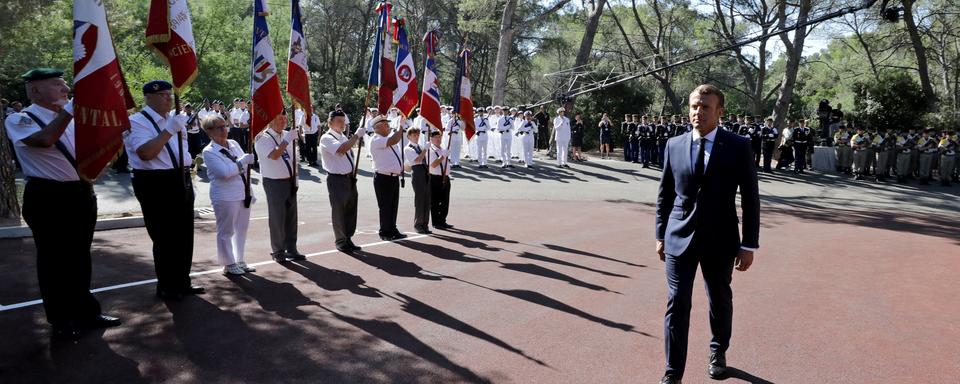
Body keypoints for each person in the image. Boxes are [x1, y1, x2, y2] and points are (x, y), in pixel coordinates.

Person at [4, 68, 121, 340]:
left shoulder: (70, 117)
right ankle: (61, 319)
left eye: (65, 84)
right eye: (57, 85)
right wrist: (70, 111)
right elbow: (44, 141)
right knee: (54, 261)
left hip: (79, 193)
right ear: (35, 90)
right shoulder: (21, 118)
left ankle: (86, 312)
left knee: (80, 257)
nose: (65, 89)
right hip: (48, 197)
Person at [655, 84, 760, 384]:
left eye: (704, 107)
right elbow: (665, 195)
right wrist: (661, 234)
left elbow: (751, 198)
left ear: (719, 112)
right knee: (677, 302)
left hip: (721, 239)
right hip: (679, 237)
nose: (697, 113)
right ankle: (673, 372)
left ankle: (718, 351)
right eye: (693, 107)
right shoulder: (674, 145)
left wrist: (749, 243)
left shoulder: (738, 146)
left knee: (719, 299)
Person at [124, 80, 202, 301]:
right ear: (149, 97)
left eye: (169, 94)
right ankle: (167, 285)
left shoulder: (173, 119)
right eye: (163, 95)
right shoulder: (137, 122)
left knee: (184, 235)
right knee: (164, 236)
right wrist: (169, 131)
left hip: (181, 177)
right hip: (155, 182)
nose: (169, 98)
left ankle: (182, 281)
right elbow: (146, 153)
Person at [201, 114, 256, 275]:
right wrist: (242, 162)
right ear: (209, 131)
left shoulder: (233, 143)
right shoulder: (209, 151)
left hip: (242, 192)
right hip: (225, 196)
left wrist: (249, 190)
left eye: (225, 126)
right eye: (220, 127)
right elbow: (224, 173)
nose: (225, 129)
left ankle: (240, 260)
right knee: (226, 231)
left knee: (242, 229)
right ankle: (228, 263)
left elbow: (244, 170)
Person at [254, 112, 307, 263]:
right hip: (274, 182)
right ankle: (278, 250)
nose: (283, 121)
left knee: (291, 217)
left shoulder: (286, 134)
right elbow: (275, 155)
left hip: (290, 181)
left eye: (284, 118)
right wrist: (286, 140)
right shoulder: (263, 138)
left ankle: (291, 248)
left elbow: (293, 159)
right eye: (279, 119)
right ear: (270, 121)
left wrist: (295, 179)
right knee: (278, 217)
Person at [320, 109, 363, 252]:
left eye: (344, 121)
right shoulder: (327, 138)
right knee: (339, 211)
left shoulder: (342, 136)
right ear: (330, 123)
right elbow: (342, 149)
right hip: (336, 179)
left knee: (351, 210)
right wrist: (356, 136)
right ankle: (340, 240)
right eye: (339, 121)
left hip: (349, 178)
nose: (342, 124)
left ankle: (348, 237)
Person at [369, 115, 407, 241]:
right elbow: (395, 140)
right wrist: (401, 126)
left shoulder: (386, 138)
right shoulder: (376, 139)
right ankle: (385, 231)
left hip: (393, 177)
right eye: (386, 125)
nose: (388, 126)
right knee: (385, 206)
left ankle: (392, 228)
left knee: (393, 205)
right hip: (383, 178)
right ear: (378, 127)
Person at [404, 127, 431, 234]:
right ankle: (418, 224)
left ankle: (425, 223)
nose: (416, 137)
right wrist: (426, 149)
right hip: (417, 171)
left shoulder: (420, 146)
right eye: (414, 135)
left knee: (427, 199)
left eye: (417, 135)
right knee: (420, 200)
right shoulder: (408, 148)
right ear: (409, 136)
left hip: (425, 171)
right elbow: (417, 160)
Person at [428, 129, 454, 229]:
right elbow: (434, 164)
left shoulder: (443, 149)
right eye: (436, 137)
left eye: (439, 137)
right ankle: (436, 222)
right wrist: (443, 155)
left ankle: (443, 220)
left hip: (445, 178)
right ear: (431, 139)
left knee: (445, 201)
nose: (438, 139)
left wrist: (444, 154)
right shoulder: (431, 150)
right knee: (435, 201)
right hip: (435, 178)